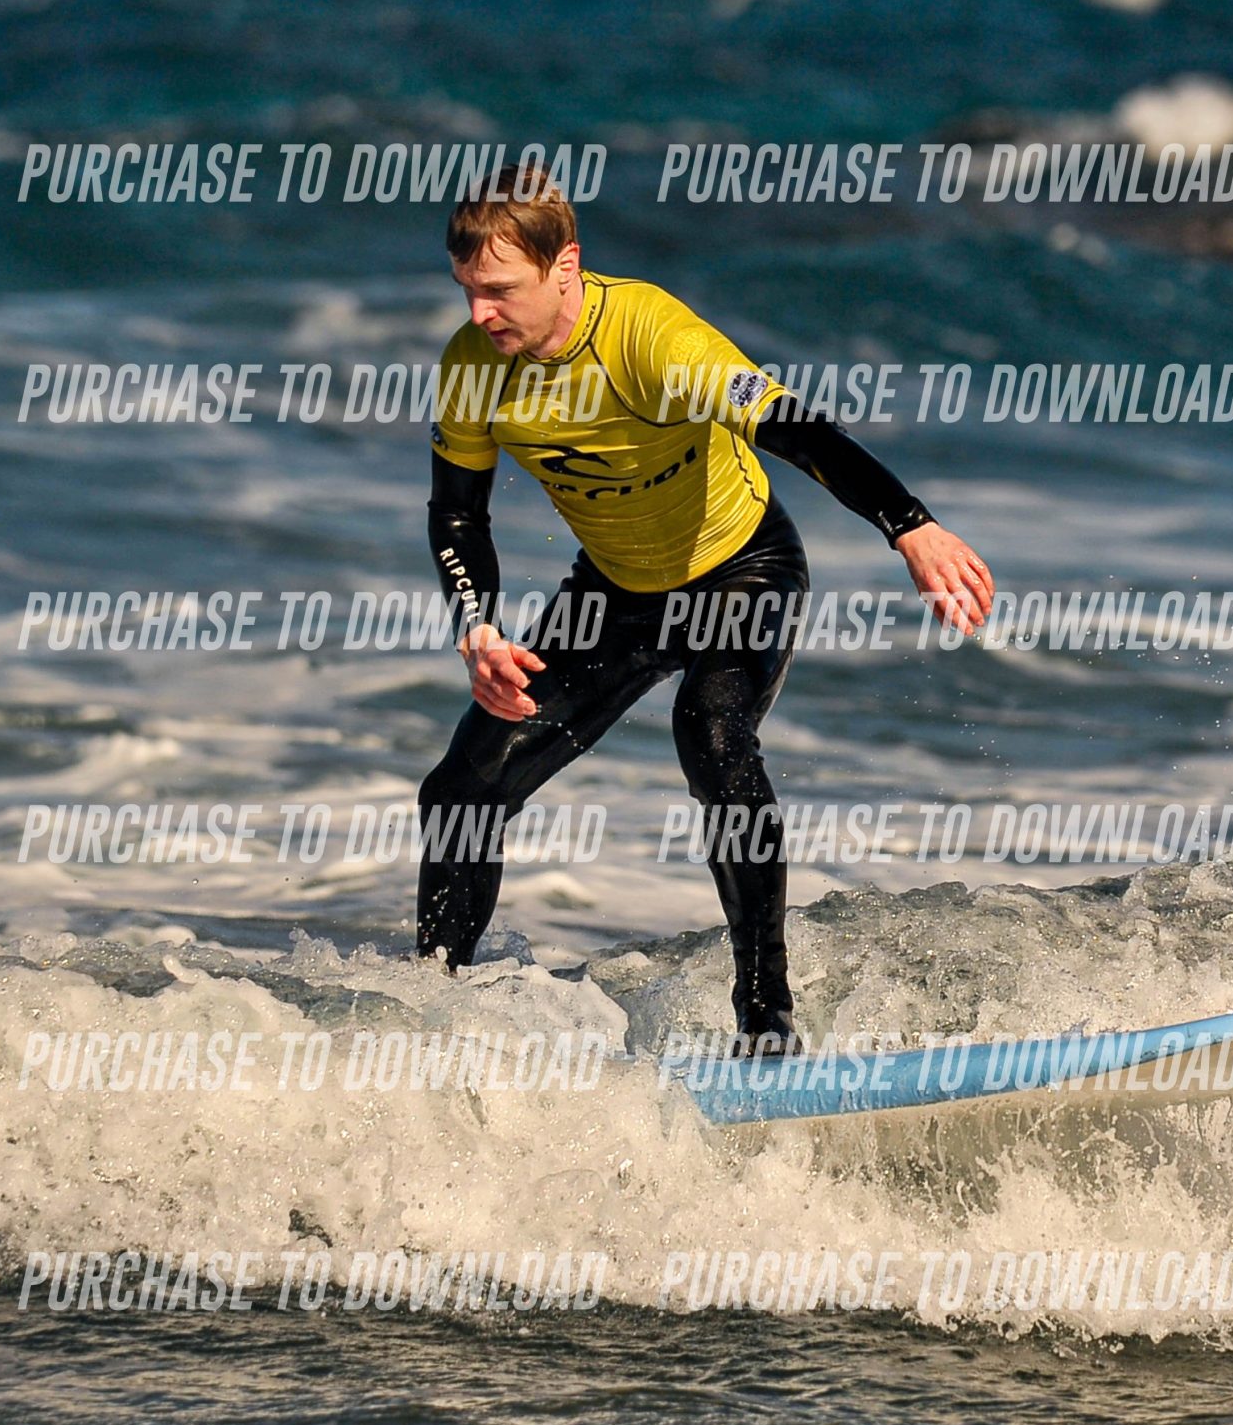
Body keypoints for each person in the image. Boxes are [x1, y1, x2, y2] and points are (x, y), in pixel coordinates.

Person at [415, 165, 993, 1056]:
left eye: (499, 290)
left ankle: (767, 1020)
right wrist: (478, 626)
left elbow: (795, 428)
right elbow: (459, 512)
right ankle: (429, 1009)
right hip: (617, 593)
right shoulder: (471, 367)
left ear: (565, 265)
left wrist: (908, 525)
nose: (480, 313)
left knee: (712, 735)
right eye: (467, 290)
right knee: (462, 787)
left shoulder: (652, 336)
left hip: (741, 571)